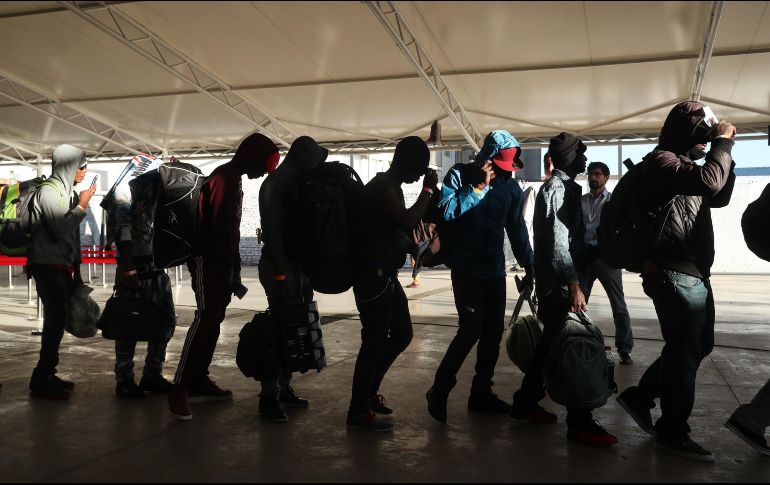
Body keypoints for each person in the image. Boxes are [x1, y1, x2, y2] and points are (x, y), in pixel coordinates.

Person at [616, 101, 736, 462]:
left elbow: (720, 193)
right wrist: (722, 146)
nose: (706, 142)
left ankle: (640, 397)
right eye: (703, 135)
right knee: (685, 349)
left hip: (694, 272)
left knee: (698, 345)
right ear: (686, 132)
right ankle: (673, 429)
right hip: (672, 272)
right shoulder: (662, 162)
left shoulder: (686, 168)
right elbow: (709, 181)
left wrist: (725, 152)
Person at [510, 133, 618, 447]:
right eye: (581, 155)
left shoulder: (565, 189)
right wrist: (574, 284)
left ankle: (525, 402)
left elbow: (570, 240)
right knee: (574, 346)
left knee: (549, 347)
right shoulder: (557, 190)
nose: (586, 161)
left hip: (557, 282)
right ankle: (580, 422)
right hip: (559, 285)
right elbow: (559, 244)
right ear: (569, 158)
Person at [168, 133, 280, 420]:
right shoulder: (223, 178)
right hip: (208, 262)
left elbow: (229, 231)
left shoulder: (233, 178)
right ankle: (179, 387)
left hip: (220, 264)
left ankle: (198, 379)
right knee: (206, 318)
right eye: (262, 167)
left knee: (214, 320)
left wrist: (234, 269)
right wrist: (226, 268)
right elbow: (216, 231)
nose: (261, 175)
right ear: (251, 158)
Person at [426, 130, 534, 423]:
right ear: (487, 159)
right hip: (466, 269)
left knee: (492, 333)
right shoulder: (460, 175)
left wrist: (530, 264)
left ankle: (481, 394)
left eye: (508, 169)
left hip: (494, 271)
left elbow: (517, 230)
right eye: (500, 167)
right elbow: (446, 210)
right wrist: (477, 189)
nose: (504, 174)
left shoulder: (511, 190)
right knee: (470, 328)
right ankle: (440, 388)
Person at [347, 136, 436, 430]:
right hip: (372, 277)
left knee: (401, 334)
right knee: (373, 343)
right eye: (419, 168)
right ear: (406, 162)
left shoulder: (392, 189)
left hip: (386, 275)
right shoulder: (382, 188)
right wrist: (428, 190)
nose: (419, 174)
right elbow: (407, 221)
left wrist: (414, 249)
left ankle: (369, 392)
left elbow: (394, 231)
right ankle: (358, 411)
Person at [257, 136, 326, 423]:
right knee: (279, 331)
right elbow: (273, 237)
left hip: (295, 270)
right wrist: (283, 276)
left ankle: (283, 387)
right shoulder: (274, 185)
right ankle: (268, 396)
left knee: (293, 329)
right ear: (301, 157)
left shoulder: (296, 183)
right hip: (281, 270)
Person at [103, 154, 176, 399]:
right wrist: (129, 270)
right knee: (127, 326)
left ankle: (151, 376)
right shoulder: (124, 195)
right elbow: (122, 235)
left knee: (165, 323)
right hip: (134, 270)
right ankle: (124, 380)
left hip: (155, 270)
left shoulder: (149, 197)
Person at [27, 144, 95, 399]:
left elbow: (71, 238)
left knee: (57, 320)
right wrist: (82, 206)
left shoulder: (67, 192)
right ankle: (41, 377)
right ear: (68, 167)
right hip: (47, 265)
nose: (84, 172)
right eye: (81, 167)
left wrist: (76, 269)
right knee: (54, 320)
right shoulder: (49, 191)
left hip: (62, 266)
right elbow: (59, 229)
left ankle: (48, 373)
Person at [580, 161, 634, 365]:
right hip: (585, 257)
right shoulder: (581, 201)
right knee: (579, 302)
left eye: (597, 174)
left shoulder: (613, 201)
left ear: (605, 177)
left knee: (618, 305)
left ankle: (625, 348)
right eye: (590, 174)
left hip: (607, 258)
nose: (592, 178)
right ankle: (580, 341)